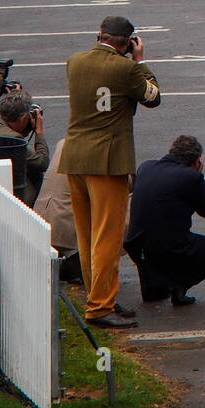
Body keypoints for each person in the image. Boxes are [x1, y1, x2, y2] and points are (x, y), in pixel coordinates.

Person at [61, 17, 161, 327]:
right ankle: (100, 308)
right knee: (107, 237)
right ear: (128, 43)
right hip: (107, 162)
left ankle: (98, 296)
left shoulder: (74, 62)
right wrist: (140, 61)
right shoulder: (126, 69)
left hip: (75, 157)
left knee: (88, 234)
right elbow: (153, 97)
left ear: (99, 35)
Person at [124, 135, 205, 306]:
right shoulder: (190, 177)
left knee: (155, 294)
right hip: (169, 248)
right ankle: (180, 285)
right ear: (197, 161)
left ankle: (155, 283)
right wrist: (198, 176)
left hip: (135, 246)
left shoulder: (146, 167)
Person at [0, 93, 48, 207]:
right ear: (24, 118)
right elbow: (41, 163)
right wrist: (39, 133)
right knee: (35, 172)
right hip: (13, 193)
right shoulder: (14, 139)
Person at [34, 138, 82, 283]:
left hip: (40, 214)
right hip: (63, 225)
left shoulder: (63, 143)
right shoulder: (90, 150)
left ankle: (65, 266)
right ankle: (70, 266)